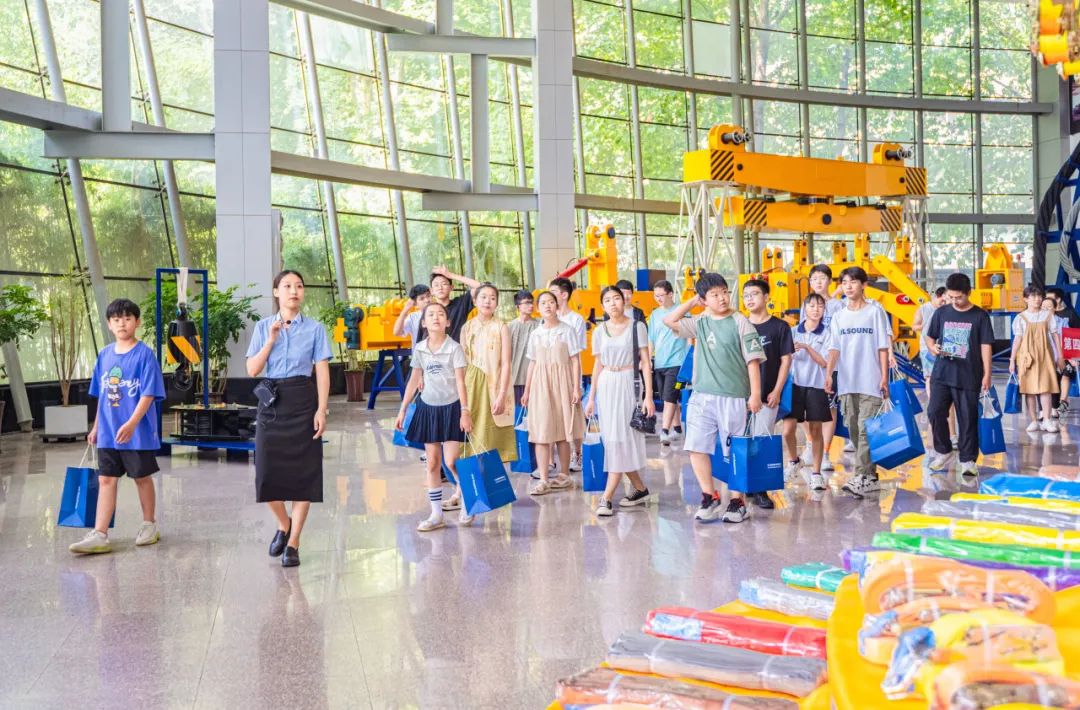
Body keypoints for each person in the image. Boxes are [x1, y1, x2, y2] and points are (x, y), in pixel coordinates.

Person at [244, 270, 332, 567]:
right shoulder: (263, 326)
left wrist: (321, 409)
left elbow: (322, 371)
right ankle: (284, 523)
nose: (294, 291)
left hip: (303, 400)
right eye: (287, 286)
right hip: (271, 400)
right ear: (276, 292)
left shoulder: (315, 328)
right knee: (265, 472)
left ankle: (293, 542)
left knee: (305, 473)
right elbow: (252, 370)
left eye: (299, 286)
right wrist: (271, 340)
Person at [664, 273, 765, 524]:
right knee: (696, 447)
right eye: (714, 294)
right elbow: (669, 320)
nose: (722, 298)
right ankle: (710, 497)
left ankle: (737, 501)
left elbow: (753, 362)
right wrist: (692, 302)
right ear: (704, 299)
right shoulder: (700, 321)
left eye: (724, 292)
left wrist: (755, 395)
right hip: (702, 396)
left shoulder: (740, 321)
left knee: (735, 451)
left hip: (733, 396)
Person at [69, 299, 166, 555]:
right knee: (105, 479)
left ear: (137, 322)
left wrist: (132, 423)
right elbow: (103, 396)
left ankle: (149, 525)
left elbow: (148, 394)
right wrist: (96, 427)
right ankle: (100, 534)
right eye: (116, 319)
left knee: (141, 477)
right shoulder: (104, 355)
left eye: (127, 318)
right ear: (109, 324)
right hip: (109, 433)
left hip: (137, 434)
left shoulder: (145, 355)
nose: (122, 323)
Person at [395, 302, 472, 531]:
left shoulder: (455, 348)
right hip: (428, 408)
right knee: (432, 463)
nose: (436, 317)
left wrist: (465, 411)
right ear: (423, 323)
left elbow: (461, 382)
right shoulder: (420, 348)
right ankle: (436, 514)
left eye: (440, 314)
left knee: (451, 461)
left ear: (448, 322)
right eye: (430, 315)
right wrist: (403, 409)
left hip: (452, 408)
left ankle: (467, 498)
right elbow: (414, 379)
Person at [584, 287, 654, 516]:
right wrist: (591, 398)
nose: (613, 303)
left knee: (621, 438)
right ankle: (640, 489)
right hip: (607, 384)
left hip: (628, 384)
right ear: (602, 306)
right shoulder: (599, 331)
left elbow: (646, 362)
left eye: (616, 298)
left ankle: (606, 498)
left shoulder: (637, 326)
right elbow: (598, 365)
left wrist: (649, 396)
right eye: (607, 300)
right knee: (613, 439)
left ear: (624, 301)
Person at [825, 267, 891, 498]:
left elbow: (882, 346)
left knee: (865, 430)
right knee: (853, 429)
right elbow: (834, 347)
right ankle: (870, 477)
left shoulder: (875, 312)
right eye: (844, 282)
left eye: (853, 282)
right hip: (847, 382)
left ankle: (860, 476)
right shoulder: (839, 316)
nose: (848, 286)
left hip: (871, 381)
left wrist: (884, 377)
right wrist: (829, 374)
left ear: (864, 285)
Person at [924, 273, 994, 477]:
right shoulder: (941, 313)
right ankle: (943, 451)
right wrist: (933, 348)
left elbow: (986, 345)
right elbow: (929, 337)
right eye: (951, 297)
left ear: (969, 293)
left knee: (967, 418)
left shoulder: (980, 316)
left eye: (959, 297)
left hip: (969, 375)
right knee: (934, 411)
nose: (954, 301)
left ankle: (967, 460)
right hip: (942, 373)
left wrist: (987, 373)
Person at [521, 291, 584, 495]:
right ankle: (544, 479)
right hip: (540, 384)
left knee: (563, 431)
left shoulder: (567, 330)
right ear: (538, 308)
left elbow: (575, 360)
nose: (547, 306)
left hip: (563, 383)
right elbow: (532, 363)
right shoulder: (535, 334)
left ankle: (564, 476)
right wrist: (527, 390)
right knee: (541, 431)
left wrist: (576, 387)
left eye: (551, 302)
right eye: (543, 303)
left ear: (557, 306)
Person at [742, 279, 793, 511]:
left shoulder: (780, 327)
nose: (749, 299)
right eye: (745, 296)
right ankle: (744, 484)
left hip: (767, 396)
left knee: (761, 440)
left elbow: (786, 361)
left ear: (766, 297)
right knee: (742, 440)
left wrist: (777, 390)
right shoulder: (739, 325)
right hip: (741, 395)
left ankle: (760, 489)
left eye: (754, 294)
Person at [457, 284, 516, 469]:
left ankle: (493, 477)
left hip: (495, 384)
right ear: (475, 301)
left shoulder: (501, 327)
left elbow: (506, 363)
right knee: (472, 430)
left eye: (492, 298)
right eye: (483, 297)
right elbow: (461, 363)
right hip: (472, 385)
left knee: (493, 435)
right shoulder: (467, 327)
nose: (487, 301)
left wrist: (502, 394)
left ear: (497, 303)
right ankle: (473, 478)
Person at [783, 293, 833, 494]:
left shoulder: (827, 333)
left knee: (815, 431)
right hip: (794, 386)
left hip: (816, 386)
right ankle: (794, 461)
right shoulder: (793, 331)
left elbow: (824, 362)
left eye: (820, 306)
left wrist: (806, 347)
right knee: (787, 431)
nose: (815, 309)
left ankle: (816, 474)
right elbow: (784, 358)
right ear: (805, 308)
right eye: (811, 306)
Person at [801, 264, 844, 472]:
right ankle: (811, 443)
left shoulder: (838, 306)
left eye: (822, 278)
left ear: (830, 281)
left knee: (829, 409)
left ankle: (825, 452)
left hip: (830, 366)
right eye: (814, 278)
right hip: (808, 366)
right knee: (804, 409)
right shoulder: (807, 304)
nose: (818, 282)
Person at [1009, 285, 1062, 434]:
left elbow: (1055, 336)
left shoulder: (1048, 316)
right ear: (1025, 299)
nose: (1037, 299)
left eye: (1039, 296)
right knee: (1029, 390)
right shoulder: (1020, 318)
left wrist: (1060, 356)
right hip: (1027, 358)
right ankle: (1033, 421)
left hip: (1045, 356)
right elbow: (1017, 340)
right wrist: (1012, 359)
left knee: (1046, 389)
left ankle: (1047, 420)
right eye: (1033, 296)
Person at [549, 277, 587, 473]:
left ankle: (577, 453)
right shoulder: (546, 318)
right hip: (550, 373)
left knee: (573, 415)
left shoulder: (576, 320)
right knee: (552, 415)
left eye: (553, 292)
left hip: (569, 373)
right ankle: (550, 460)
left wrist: (577, 384)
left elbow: (576, 355)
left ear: (564, 295)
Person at [648, 279, 688, 446]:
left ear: (671, 294)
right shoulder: (654, 315)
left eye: (661, 295)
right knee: (668, 397)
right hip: (660, 363)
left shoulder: (680, 311)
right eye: (656, 296)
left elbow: (690, 334)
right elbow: (651, 339)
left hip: (677, 362)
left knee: (669, 398)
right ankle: (677, 429)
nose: (658, 298)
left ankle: (664, 431)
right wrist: (649, 359)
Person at [418, 265, 482, 342]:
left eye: (444, 284)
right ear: (432, 291)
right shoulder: (428, 312)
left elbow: (480, 287)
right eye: (436, 285)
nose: (440, 288)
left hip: (456, 348)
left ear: (451, 287)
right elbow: (420, 341)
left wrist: (451, 275)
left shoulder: (461, 304)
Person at [508, 290, 539, 406]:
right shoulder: (509, 327)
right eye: (527, 302)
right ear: (518, 306)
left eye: (532, 302)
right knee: (517, 412)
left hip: (535, 378)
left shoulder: (539, 325)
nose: (531, 305)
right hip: (514, 378)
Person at [392, 284, 431, 349]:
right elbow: (397, 332)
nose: (427, 300)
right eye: (422, 298)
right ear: (415, 303)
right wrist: (405, 310)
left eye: (428, 296)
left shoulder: (440, 313)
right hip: (418, 355)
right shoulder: (413, 317)